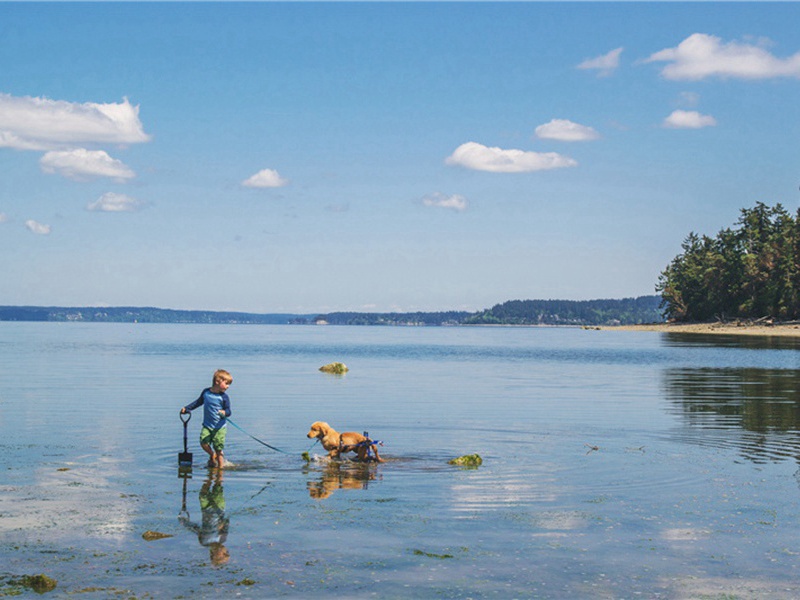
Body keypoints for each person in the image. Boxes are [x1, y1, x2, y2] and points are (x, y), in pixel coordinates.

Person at [181, 369, 233, 468]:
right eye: (226, 383)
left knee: (219, 448)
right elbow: (198, 402)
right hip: (207, 425)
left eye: (229, 384)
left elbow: (229, 411)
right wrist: (187, 409)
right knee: (203, 442)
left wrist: (224, 412)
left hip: (219, 427)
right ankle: (212, 455)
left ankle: (220, 470)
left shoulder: (224, 397)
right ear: (217, 382)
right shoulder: (206, 392)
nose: (228, 386)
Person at [179, 469, 230, 566]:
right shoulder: (222, 539)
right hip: (219, 507)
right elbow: (226, 524)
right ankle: (218, 473)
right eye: (227, 552)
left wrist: (185, 523)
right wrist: (224, 522)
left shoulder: (204, 541)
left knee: (203, 493)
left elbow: (196, 529)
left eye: (225, 553)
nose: (226, 550)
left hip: (206, 509)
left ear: (216, 554)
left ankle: (209, 477)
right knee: (218, 487)